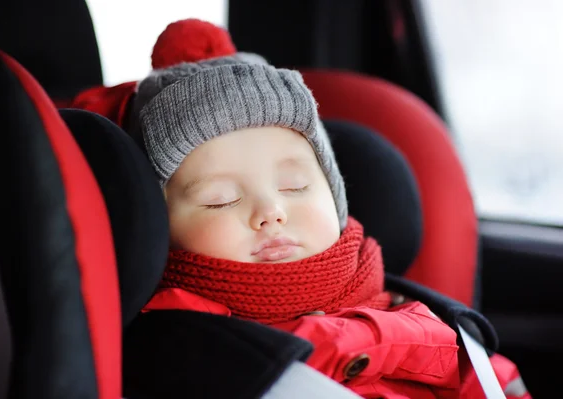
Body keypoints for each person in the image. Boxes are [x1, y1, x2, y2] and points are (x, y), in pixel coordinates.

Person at [73, 19, 530, 399]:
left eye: (296, 186)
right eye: (220, 199)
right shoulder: (176, 356)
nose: (271, 211)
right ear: (160, 229)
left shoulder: (435, 322)